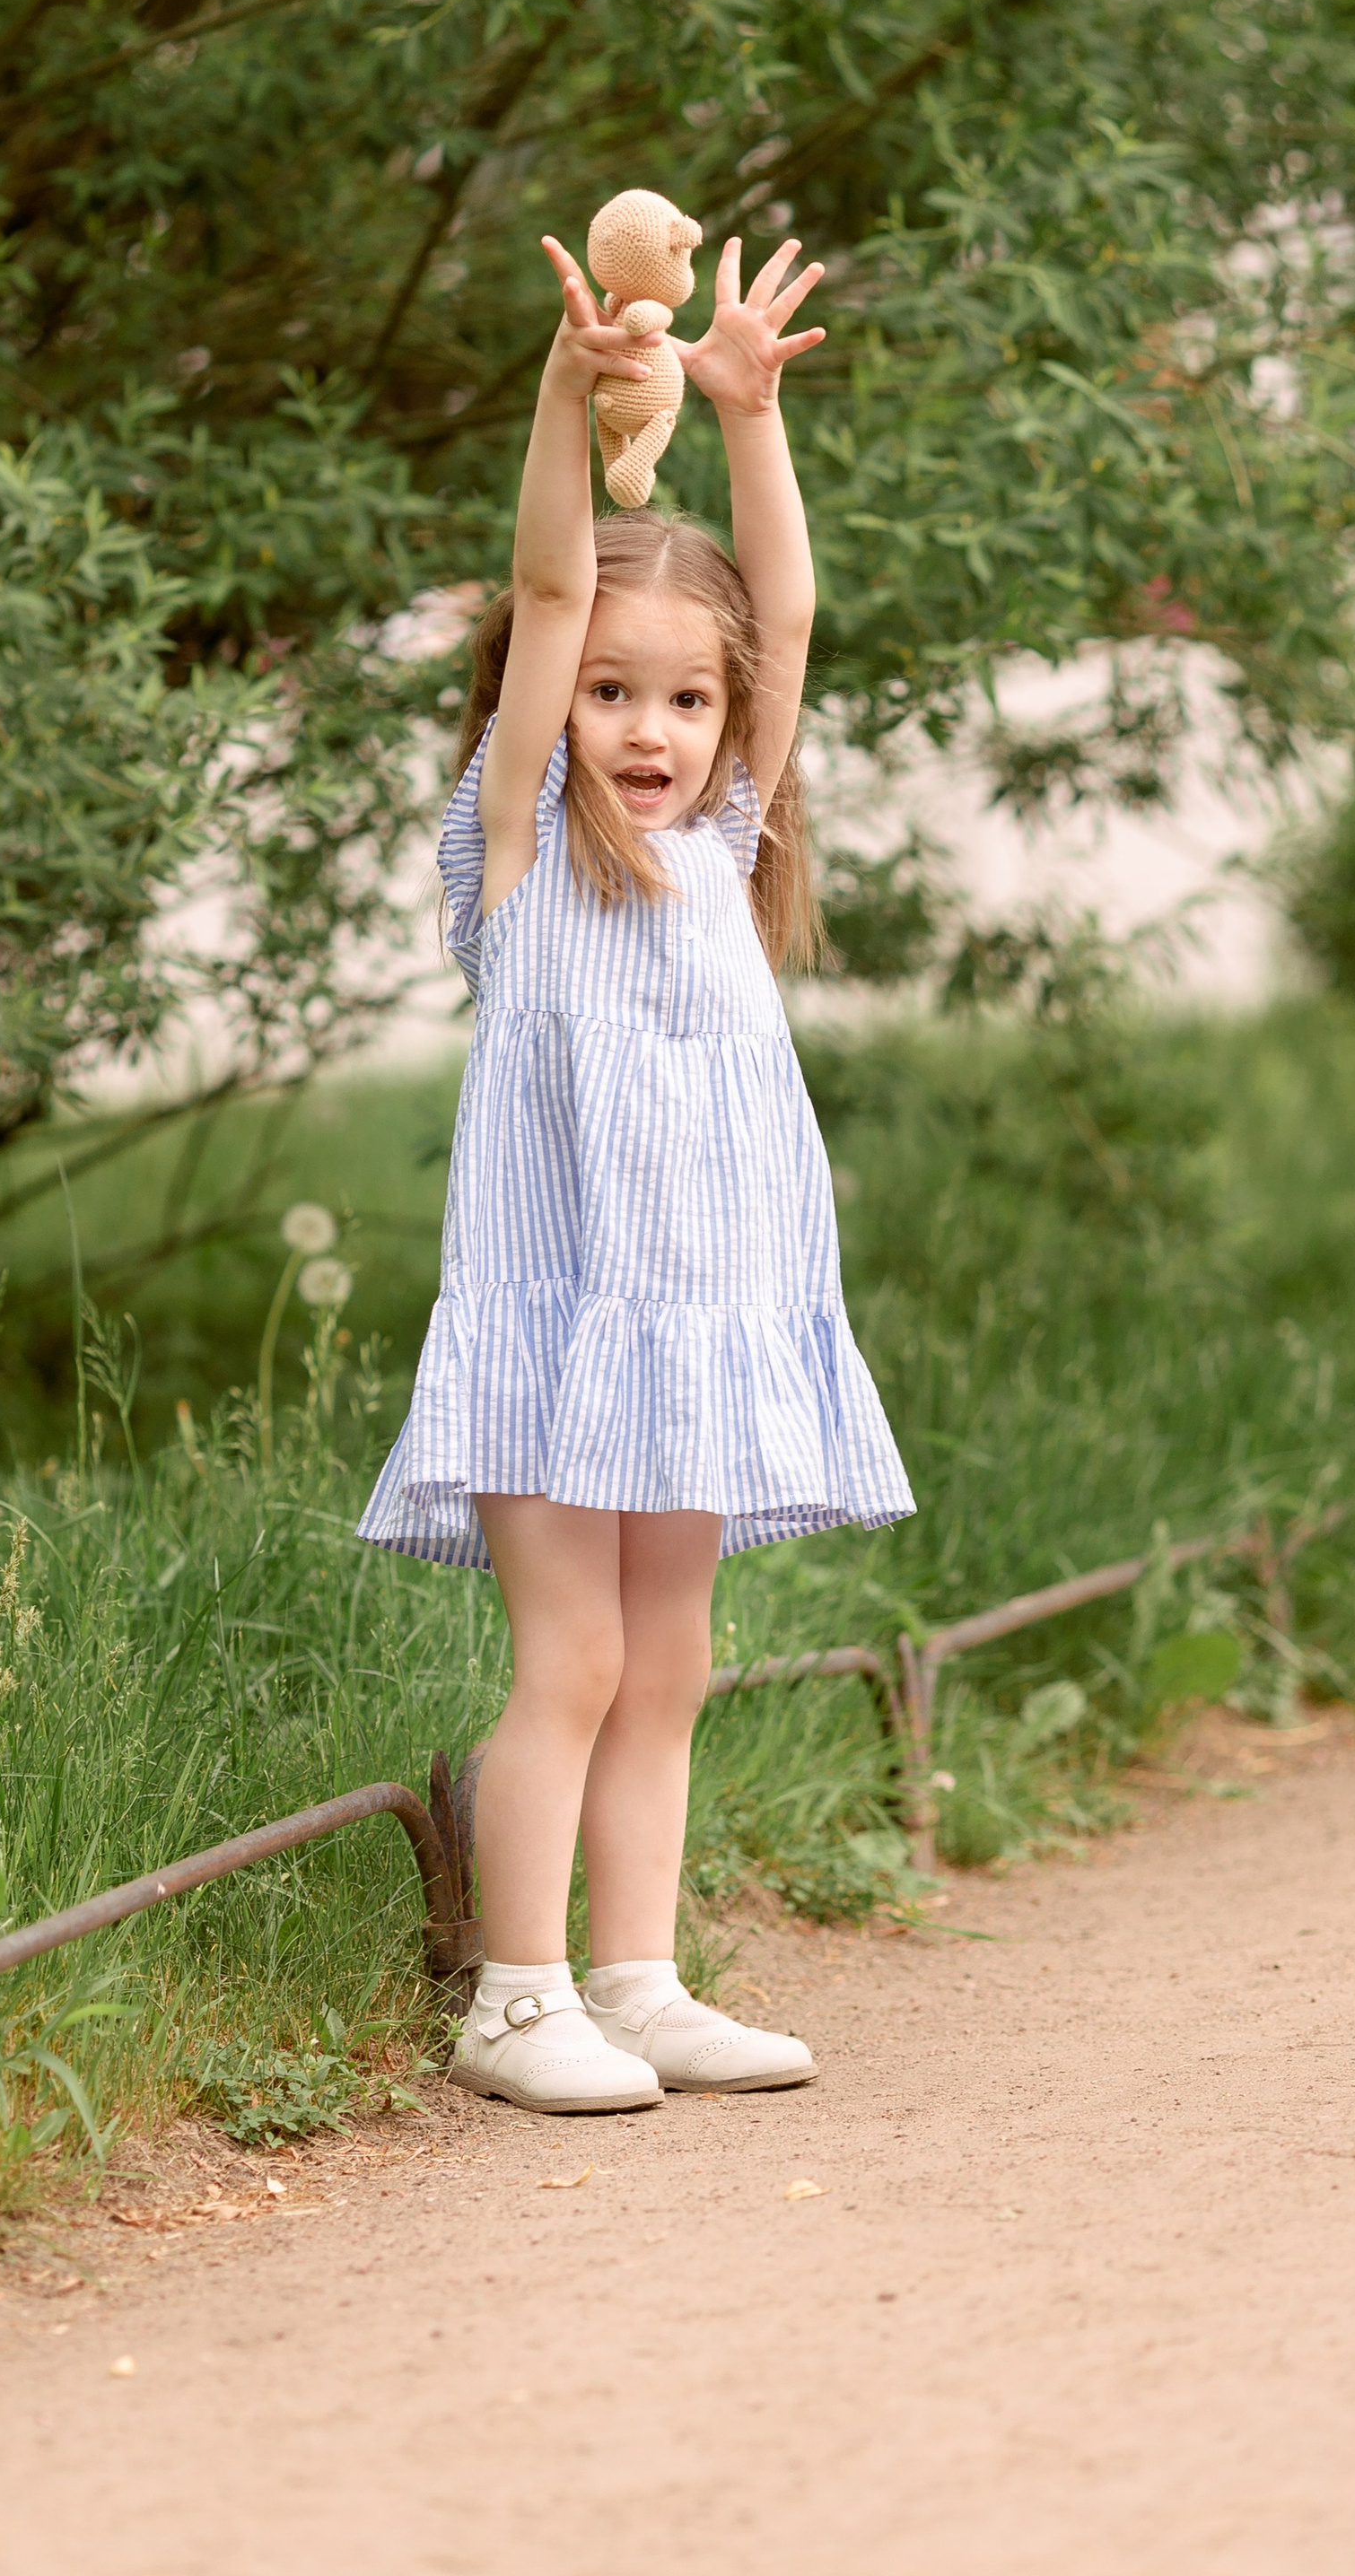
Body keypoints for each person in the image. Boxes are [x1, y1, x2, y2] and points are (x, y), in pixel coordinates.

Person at [357, 223, 913, 2112]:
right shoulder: (512, 852)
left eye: (682, 699)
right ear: (550, 708)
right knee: (575, 1661)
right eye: (610, 693)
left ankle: (638, 1980)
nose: (649, 730)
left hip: (694, 1324)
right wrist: (561, 385)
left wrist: (746, 413)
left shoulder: (727, 842)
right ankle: (515, 2001)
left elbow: (788, 618)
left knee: (668, 1664)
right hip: (550, 1328)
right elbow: (543, 583)